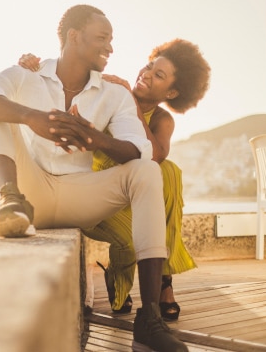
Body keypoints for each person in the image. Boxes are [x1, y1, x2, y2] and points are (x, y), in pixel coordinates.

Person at [0, 4, 188, 352]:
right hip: (31, 191)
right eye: (102, 38)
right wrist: (32, 118)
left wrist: (94, 138)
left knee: (148, 169)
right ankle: (9, 199)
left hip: (81, 196)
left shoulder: (114, 94)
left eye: (111, 40)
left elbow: (142, 149)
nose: (110, 48)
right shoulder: (27, 75)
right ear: (74, 36)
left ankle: (150, 318)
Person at [18, 38, 211, 320]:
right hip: (91, 193)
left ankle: (163, 280)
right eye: (149, 66)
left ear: (171, 92)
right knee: (136, 232)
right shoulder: (110, 92)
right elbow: (70, 82)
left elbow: (153, 157)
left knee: (167, 170)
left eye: (158, 75)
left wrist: (133, 104)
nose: (145, 74)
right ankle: (140, 282)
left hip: (133, 199)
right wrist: (31, 69)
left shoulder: (161, 120)